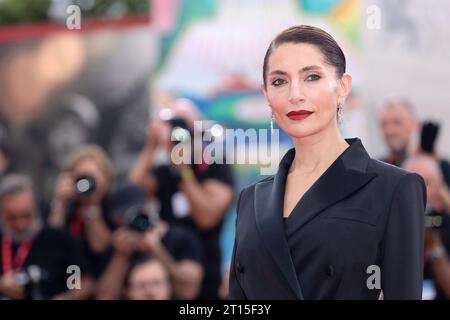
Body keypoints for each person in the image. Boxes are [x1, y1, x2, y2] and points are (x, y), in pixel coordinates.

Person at [229, 25, 426, 300]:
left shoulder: (394, 188)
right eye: (279, 82)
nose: (294, 94)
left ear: (342, 86)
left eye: (312, 77)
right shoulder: (251, 199)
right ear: (266, 95)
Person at [130, 99, 234, 299]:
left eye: (184, 125)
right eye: (174, 126)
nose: (179, 133)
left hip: (205, 270)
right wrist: (151, 146)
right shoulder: (163, 171)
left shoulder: (215, 167)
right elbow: (132, 193)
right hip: (166, 267)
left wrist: (183, 170)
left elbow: (206, 218)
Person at [0, 174, 92, 300]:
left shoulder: (60, 240)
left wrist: (65, 298)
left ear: (36, 209)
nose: (20, 224)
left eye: (26, 215)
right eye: (12, 217)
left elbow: (80, 283)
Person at [47, 144, 117, 278]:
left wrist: (92, 205)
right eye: (81, 177)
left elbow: (99, 247)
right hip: (68, 279)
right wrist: (60, 204)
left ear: (106, 179)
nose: (86, 183)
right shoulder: (69, 208)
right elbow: (52, 243)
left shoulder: (113, 206)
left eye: (92, 177)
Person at [403, 155, 450, 299]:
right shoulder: (392, 221)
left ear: (439, 186)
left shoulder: (445, 220)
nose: (420, 192)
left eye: (427, 183)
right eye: (413, 184)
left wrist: (434, 248)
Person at [379, 97, 418, 167]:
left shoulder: (437, 166)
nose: (389, 131)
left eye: (397, 122)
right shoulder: (375, 170)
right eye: (384, 124)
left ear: (414, 124)